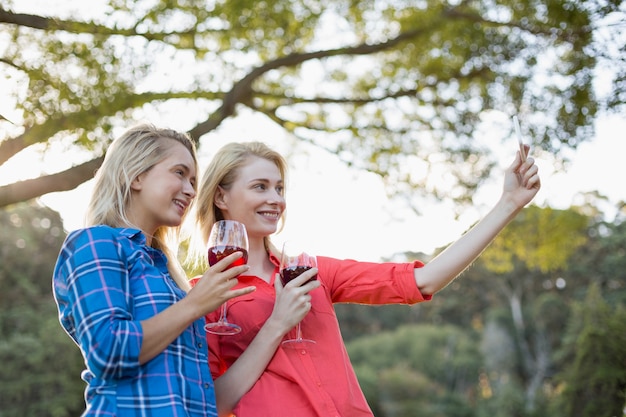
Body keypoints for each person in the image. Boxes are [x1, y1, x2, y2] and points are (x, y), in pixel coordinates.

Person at [189, 140, 541, 417]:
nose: (275, 200)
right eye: (260, 187)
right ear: (221, 196)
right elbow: (215, 403)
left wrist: (508, 204)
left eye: (279, 188)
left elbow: (425, 280)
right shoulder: (198, 297)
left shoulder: (312, 271)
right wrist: (276, 324)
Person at [52, 124, 255, 416]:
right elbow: (108, 350)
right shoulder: (96, 243)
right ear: (137, 175)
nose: (191, 190)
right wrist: (195, 304)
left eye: (194, 180)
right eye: (180, 173)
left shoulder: (167, 273)